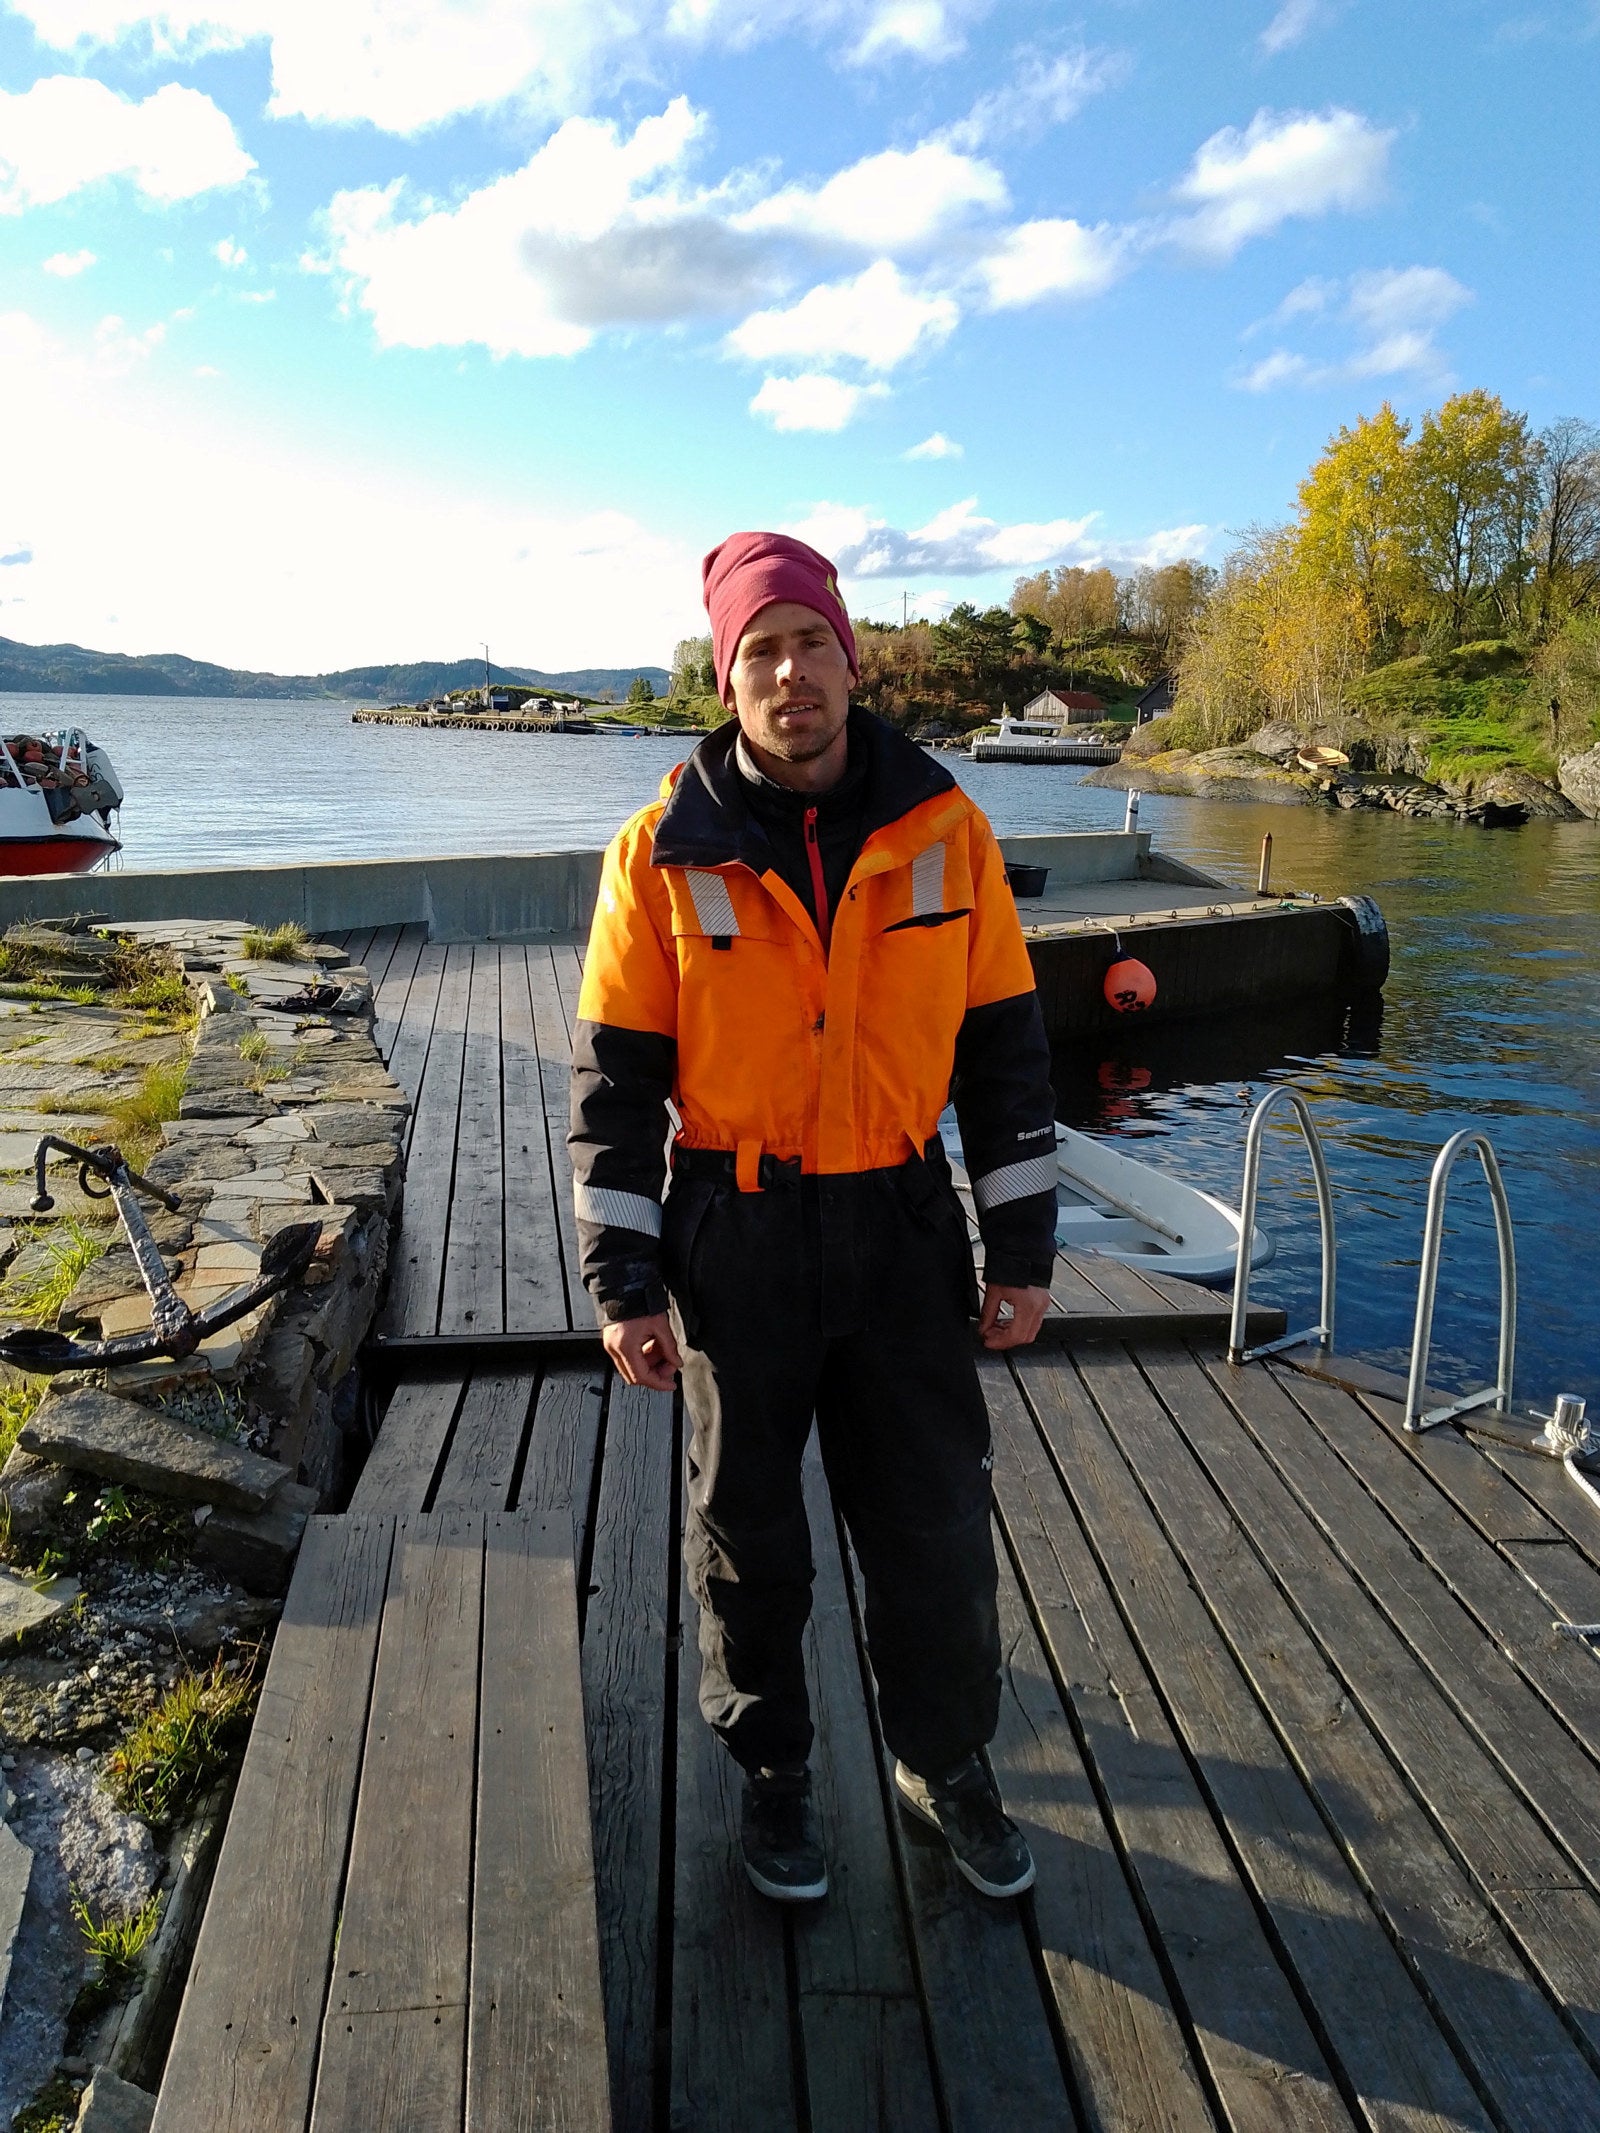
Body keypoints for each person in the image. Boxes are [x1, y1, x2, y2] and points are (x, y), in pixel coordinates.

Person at [569, 530, 1058, 1903]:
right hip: (737, 1235)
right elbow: (615, 1085)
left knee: (933, 1524)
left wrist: (1021, 1251)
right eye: (761, 652)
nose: (791, 673)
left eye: (811, 644)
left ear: (853, 660)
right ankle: (774, 1774)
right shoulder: (660, 852)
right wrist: (625, 1279)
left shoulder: (949, 832)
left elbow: (1008, 1060)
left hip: (901, 1227)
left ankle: (945, 1760)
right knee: (748, 1533)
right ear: (727, 680)